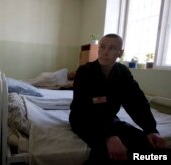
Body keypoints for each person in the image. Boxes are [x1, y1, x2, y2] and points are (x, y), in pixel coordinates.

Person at [69, 33, 167, 162]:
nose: (105, 52)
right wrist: (109, 136)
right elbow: (83, 108)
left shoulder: (123, 73)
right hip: (84, 120)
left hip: (110, 119)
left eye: (112, 48)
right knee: (108, 152)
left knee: (148, 145)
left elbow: (137, 102)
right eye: (102, 47)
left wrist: (150, 129)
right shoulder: (85, 71)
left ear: (120, 53)